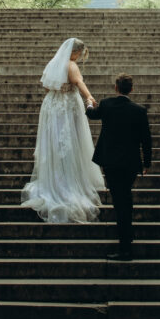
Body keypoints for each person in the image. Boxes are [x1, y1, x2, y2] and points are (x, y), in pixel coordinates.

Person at [21, 38, 105, 223]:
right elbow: (78, 82)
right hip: (66, 104)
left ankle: (55, 178)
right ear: (75, 52)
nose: (79, 57)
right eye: (79, 53)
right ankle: (67, 183)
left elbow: (46, 86)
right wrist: (90, 97)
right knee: (69, 140)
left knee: (56, 141)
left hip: (52, 104)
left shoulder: (54, 63)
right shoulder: (71, 64)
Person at [86, 73, 152, 262]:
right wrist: (146, 162)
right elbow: (146, 140)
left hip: (111, 162)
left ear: (116, 88)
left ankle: (125, 247)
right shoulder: (139, 111)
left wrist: (89, 102)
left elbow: (92, 114)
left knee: (121, 201)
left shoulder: (106, 104)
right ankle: (127, 237)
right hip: (130, 163)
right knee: (125, 198)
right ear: (131, 89)